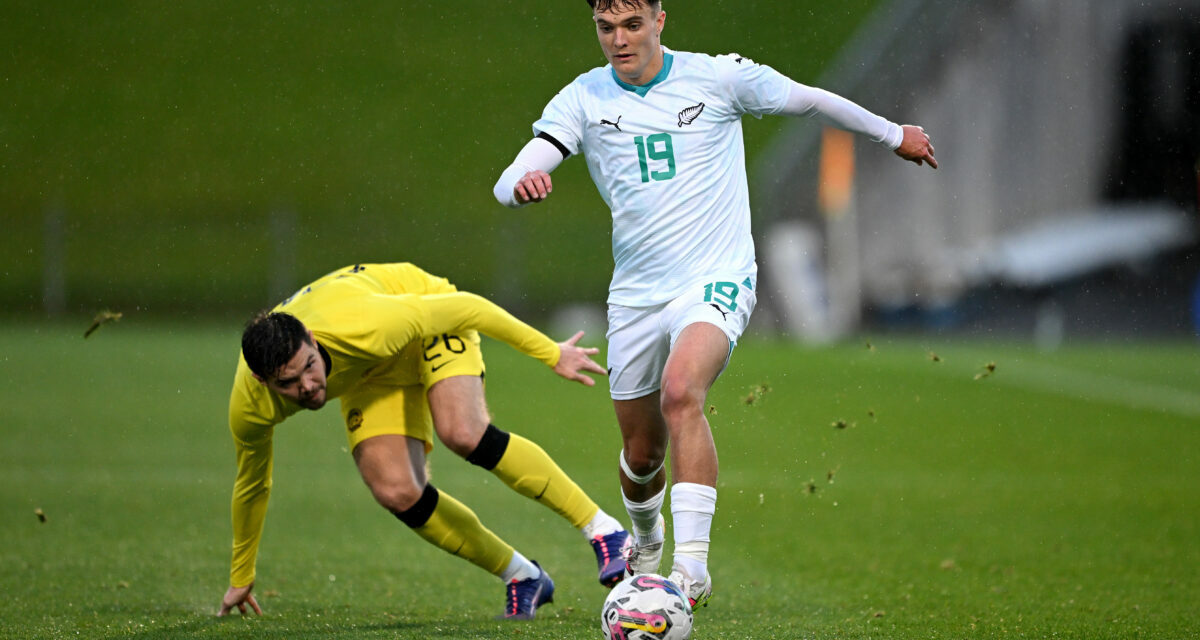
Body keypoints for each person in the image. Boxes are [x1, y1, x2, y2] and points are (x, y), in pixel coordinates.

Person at [492, 0, 938, 609]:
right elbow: (517, 171)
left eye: (632, 25)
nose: (619, 39)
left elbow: (809, 99)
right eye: (606, 28)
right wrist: (519, 186)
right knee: (640, 455)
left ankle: (691, 569)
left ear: (659, 20)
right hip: (636, 297)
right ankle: (645, 542)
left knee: (681, 392)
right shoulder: (583, 98)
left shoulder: (719, 77)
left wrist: (893, 135)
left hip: (716, 278)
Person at [216, 262, 630, 620]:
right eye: (288, 383)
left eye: (310, 366)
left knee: (463, 432)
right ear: (261, 380)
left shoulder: (365, 325)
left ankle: (604, 530)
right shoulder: (250, 407)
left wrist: (551, 352)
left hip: (425, 315)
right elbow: (253, 484)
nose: (308, 386)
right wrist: (241, 575)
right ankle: (524, 577)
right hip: (370, 371)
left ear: (311, 337)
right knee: (396, 490)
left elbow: (469, 307)